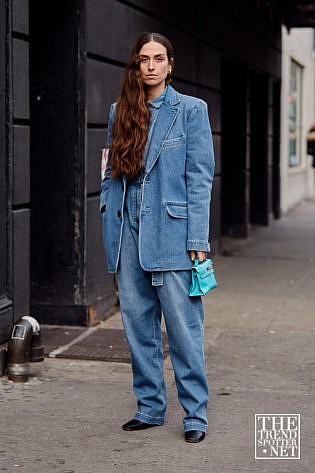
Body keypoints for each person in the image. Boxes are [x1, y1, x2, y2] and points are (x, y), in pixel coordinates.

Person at [100, 32, 215, 443]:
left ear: (170, 64)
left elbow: (200, 179)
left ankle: (195, 415)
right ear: (135, 65)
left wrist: (197, 237)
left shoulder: (190, 111)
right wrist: (108, 223)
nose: (150, 65)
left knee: (184, 329)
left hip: (173, 233)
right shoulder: (120, 111)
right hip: (128, 234)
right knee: (138, 327)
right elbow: (111, 175)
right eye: (143, 59)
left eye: (158, 58)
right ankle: (149, 407)